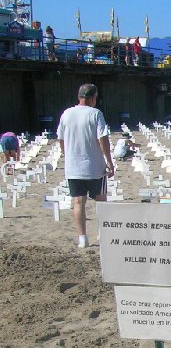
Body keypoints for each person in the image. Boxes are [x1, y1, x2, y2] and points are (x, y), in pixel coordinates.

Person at [57, 84, 114, 248]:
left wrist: (67, 155)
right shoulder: (95, 113)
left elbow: (60, 139)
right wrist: (109, 161)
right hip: (95, 166)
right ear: (92, 98)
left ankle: (82, 238)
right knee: (101, 201)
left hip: (73, 167)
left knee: (78, 202)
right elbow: (103, 138)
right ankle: (102, 235)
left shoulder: (66, 114)